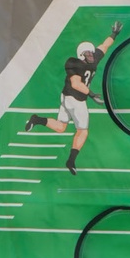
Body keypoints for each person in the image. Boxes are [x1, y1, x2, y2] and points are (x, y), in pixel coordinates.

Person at [24, 19, 123, 173]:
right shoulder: (74, 63)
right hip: (75, 100)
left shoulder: (93, 57)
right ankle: (71, 161)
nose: (91, 55)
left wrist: (114, 34)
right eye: (88, 53)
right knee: (83, 130)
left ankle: (37, 119)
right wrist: (92, 94)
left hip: (65, 97)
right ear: (81, 55)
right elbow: (76, 84)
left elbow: (104, 46)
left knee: (61, 127)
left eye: (91, 52)